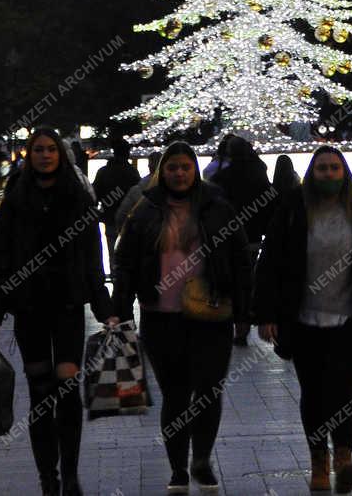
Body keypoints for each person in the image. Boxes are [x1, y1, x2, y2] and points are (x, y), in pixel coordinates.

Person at [254, 145, 352, 494]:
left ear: (344, 172)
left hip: (351, 319)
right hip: (303, 319)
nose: (328, 174)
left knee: (343, 393)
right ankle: (318, 461)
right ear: (312, 172)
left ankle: (343, 456)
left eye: (334, 168)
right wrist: (265, 314)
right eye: (322, 168)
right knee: (312, 393)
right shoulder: (293, 207)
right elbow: (270, 263)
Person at [0, 127, 116, 496]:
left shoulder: (77, 198)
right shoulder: (15, 201)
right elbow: (2, 259)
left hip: (68, 304)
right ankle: (48, 477)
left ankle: (70, 474)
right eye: (38, 150)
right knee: (41, 392)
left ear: (60, 154)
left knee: (68, 385)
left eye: (50, 150)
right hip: (30, 306)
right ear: (29, 155)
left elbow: (92, 259)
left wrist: (106, 309)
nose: (44, 156)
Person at [113, 140, 250, 494]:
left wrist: (245, 311)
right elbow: (126, 264)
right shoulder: (146, 209)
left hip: (211, 313)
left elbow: (239, 260)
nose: (178, 173)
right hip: (162, 316)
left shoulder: (217, 206)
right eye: (171, 167)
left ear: (194, 169)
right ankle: (177, 467)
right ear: (163, 171)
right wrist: (120, 309)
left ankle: (201, 460)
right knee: (175, 394)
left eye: (185, 167)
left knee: (208, 391)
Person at [207, 134, 273, 346]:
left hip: (227, 236)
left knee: (229, 276)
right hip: (252, 235)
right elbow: (268, 205)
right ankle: (244, 320)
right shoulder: (259, 174)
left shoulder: (221, 177)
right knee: (247, 277)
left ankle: (230, 319)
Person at [92, 138, 141, 276]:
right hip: (129, 221)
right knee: (128, 253)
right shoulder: (132, 172)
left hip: (109, 218)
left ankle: (115, 276)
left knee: (112, 251)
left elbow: (95, 194)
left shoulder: (103, 172)